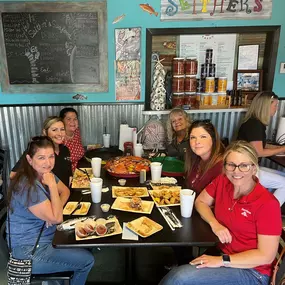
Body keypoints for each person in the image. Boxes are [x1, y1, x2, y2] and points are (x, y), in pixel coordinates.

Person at [160, 141, 281, 285]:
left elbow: (266, 256)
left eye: (244, 166)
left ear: (254, 168)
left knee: (179, 277)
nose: (236, 171)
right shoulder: (223, 181)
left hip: (253, 272)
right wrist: (215, 223)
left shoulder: (267, 204)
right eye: (231, 165)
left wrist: (222, 261)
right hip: (222, 254)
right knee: (182, 266)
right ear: (224, 167)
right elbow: (200, 202)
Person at [7, 136, 94, 284]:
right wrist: (53, 190)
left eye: (51, 156)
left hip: (47, 238)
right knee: (87, 260)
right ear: (29, 159)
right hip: (30, 251)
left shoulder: (44, 173)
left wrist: (54, 209)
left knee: (87, 242)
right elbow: (57, 218)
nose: (47, 163)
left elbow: (65, 191)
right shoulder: (27, 185)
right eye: (41, 158)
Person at [237, 91, 285, 206]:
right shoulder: (255, 125)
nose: (276, 109)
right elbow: (259, 151)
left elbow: (259, 144)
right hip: (246, 170)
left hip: (249, 167)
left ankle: (264, 205)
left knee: (283, 176)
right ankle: (268, 212)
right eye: (275, 106)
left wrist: (279, 147)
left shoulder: (254, 122)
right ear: (266, 106)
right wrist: (282, 149)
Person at [11, 117, 72, 188]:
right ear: (44, 132)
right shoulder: (36, 151)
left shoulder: (65, 150)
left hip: (65, 193)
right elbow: (13, 175)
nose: (60, 134)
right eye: (54, 130)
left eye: (62, 129)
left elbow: (68, 173)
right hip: (46, 196)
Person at [185, 120, 224, 195]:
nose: (197, 142)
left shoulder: (221, 167)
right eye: (193, 137)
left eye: (203, 137)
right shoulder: (195, 160)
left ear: (213, 139)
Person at [59, 108, 85, 172]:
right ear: (61, 121)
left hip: (79, 171)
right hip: (65, 174)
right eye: (69, 119)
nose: (73, 122)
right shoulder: (58, 138)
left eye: (75, 119)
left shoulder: (76, 131)